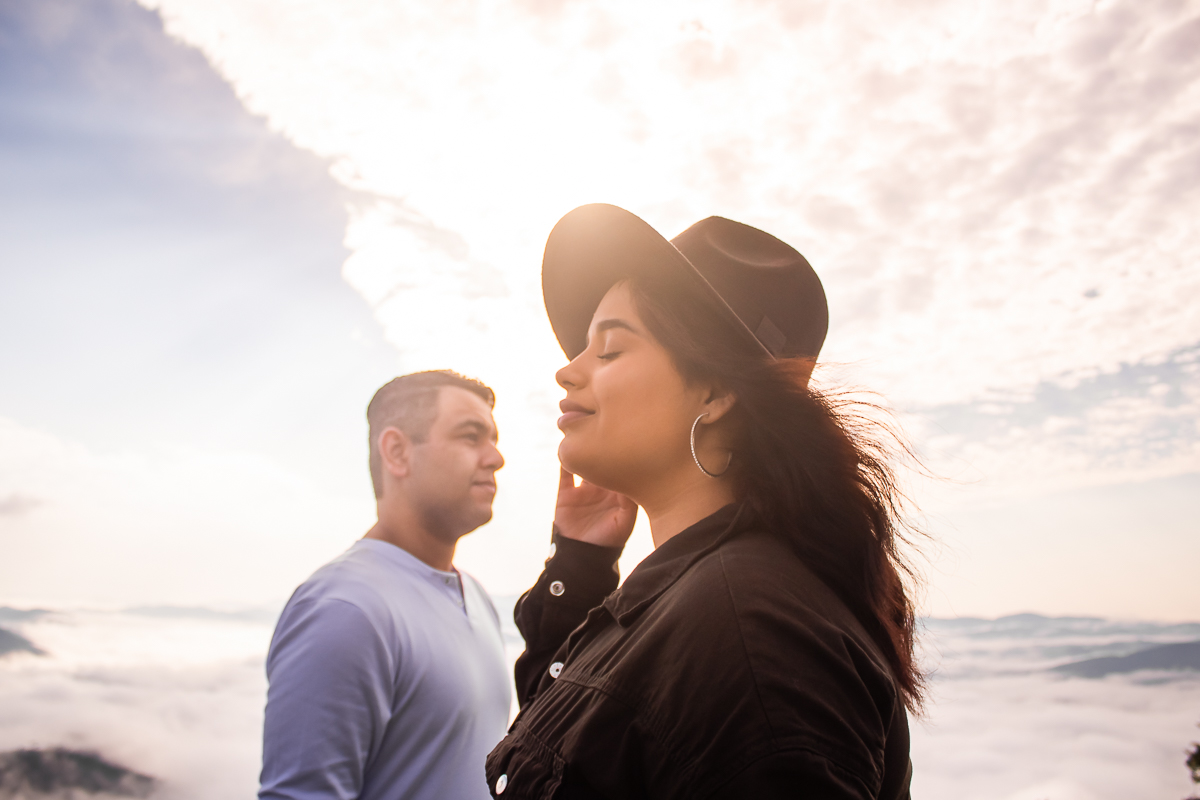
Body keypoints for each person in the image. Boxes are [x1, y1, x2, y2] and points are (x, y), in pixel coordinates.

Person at [485, 205, 921, 799]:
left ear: (715, 393)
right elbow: (584, 742)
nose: (568, 371)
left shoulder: (750, 634)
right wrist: (580, 562)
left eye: (608, 350)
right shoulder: (710, 597)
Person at [260, 370, 511, 800]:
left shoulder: (477, 596)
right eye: (471, 437)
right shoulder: (345, 610)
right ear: (396, 452)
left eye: (494, 439)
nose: (495, 458)